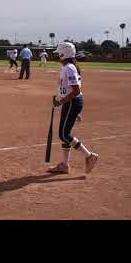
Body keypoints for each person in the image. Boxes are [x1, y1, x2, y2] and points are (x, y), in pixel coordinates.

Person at [47, 42, 99, 174]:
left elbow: (76, 90)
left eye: (59, 53)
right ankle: (65, 165)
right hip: (70, 102)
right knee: (66, 133)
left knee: (64, 135)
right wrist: (59, 97)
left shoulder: (69, 68)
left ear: (64, 53)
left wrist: (61, 101)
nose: (57, 55)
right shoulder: (67, 67)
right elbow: (68, 88)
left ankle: (89, 156)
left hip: (72, 102)